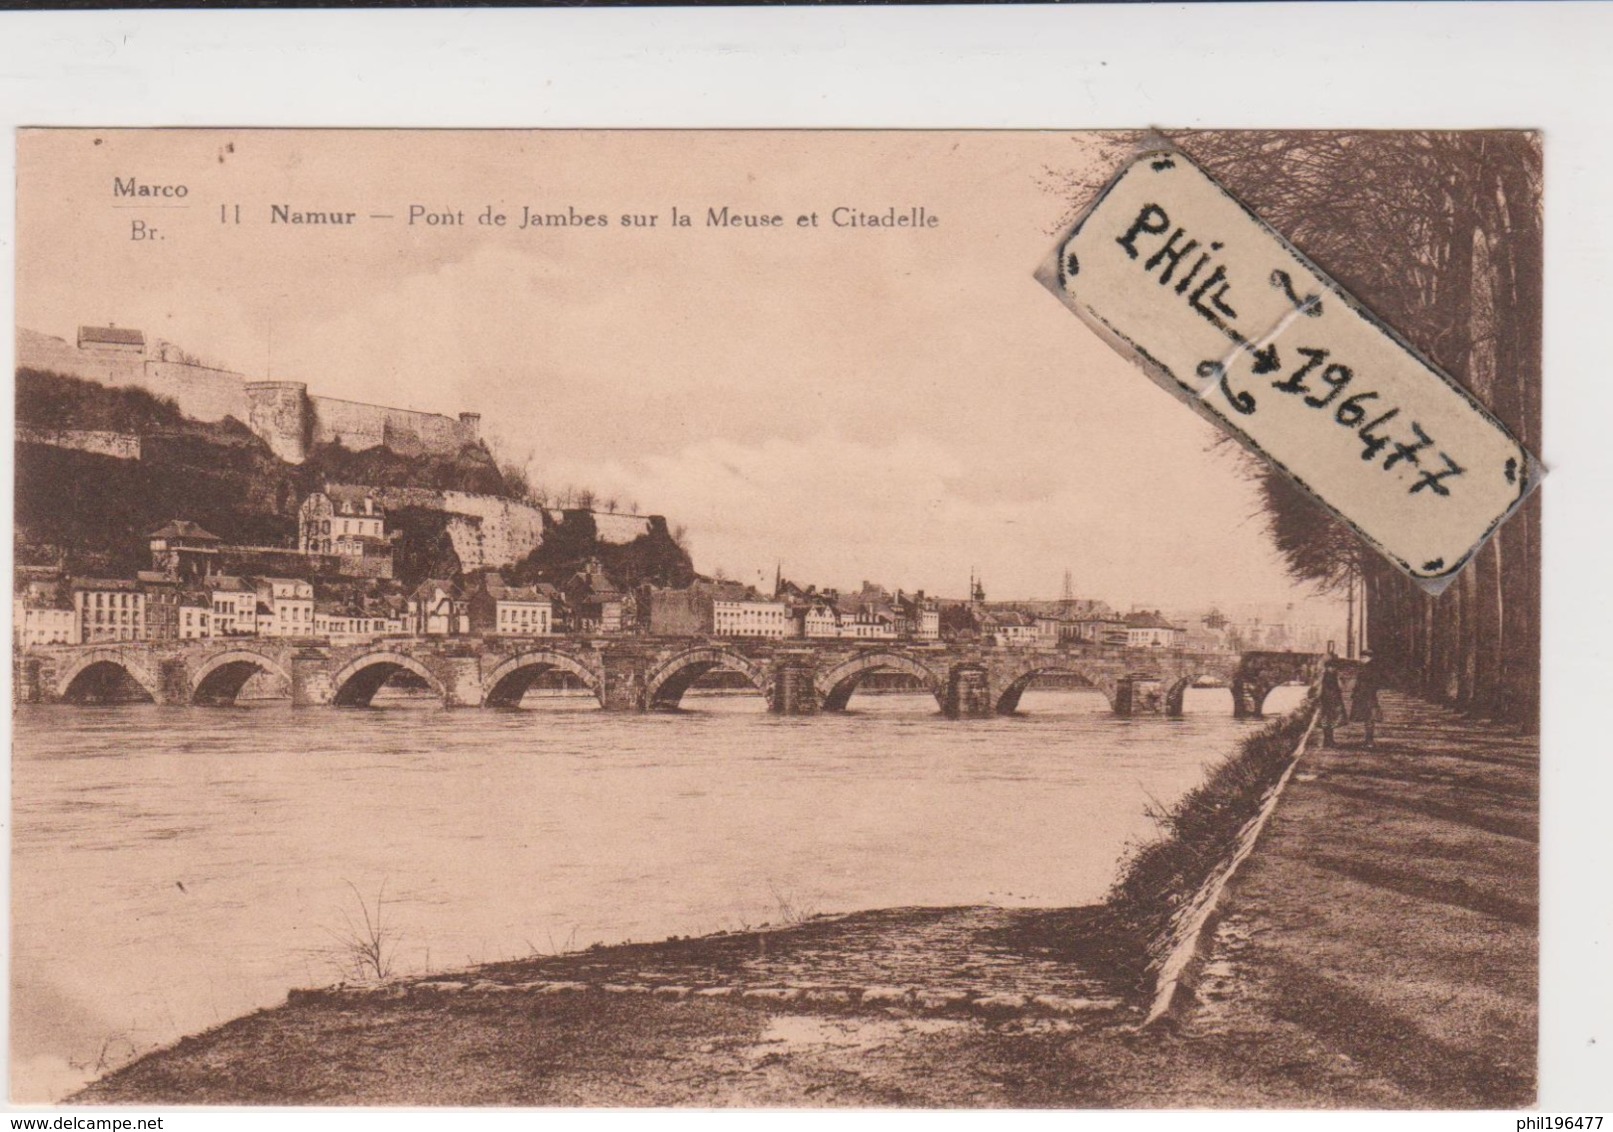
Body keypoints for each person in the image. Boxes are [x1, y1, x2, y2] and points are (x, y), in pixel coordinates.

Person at [1349, 658, 1384, 747]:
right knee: (1368, 718)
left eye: (1363, 657)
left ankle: (1369, 741)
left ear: (1367, 658)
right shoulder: (1368, 668)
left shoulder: (1368, 669)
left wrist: (1357, 692)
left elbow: (1364, 683)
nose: (1361, 659)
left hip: (1366, 696)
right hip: (1367, 696)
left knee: (1369, 718)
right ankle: (1369, 740)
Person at [1318, 658, 1347, 748]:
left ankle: (1329, 740)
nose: (1333, 669)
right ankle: (1327, 741)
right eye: (1331, 667)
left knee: (1331, 721)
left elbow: (1342, 687)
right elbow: (1319, 687)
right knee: (1326, 721)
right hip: (1326, 700)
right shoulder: (1324, 676)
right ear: (1327, 667)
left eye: (1334, 667)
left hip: (1334, 700)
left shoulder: (1335, 676)